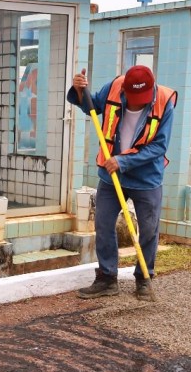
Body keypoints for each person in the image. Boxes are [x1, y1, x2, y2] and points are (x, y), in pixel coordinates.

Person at [67, 65, 177, 301]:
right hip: (110, 175)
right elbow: (92, 107)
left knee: (148, 230)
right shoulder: (114, 88)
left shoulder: (164, 101)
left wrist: (124, 161)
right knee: (104, 224)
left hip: (146, 177)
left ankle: (144, 279)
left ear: (152, 89)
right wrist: (79, 92)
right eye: (133, 98)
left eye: (142, 99)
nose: (137, 104)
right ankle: (107, 278)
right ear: (125, 90)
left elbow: (159, 146)